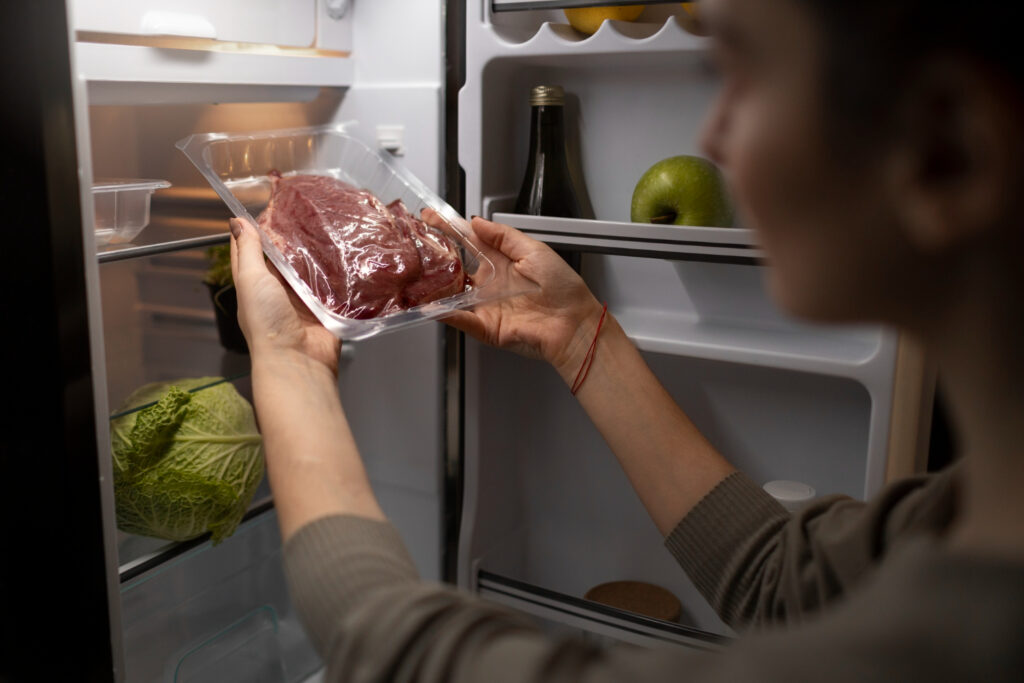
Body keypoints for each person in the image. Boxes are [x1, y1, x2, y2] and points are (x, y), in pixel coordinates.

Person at [227, 0, 1024, 679]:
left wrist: (292, 362)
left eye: (740, 72)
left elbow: (400, 652)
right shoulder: (954, 522)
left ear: (945, 150)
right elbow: (782, 576)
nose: (712, 136)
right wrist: (580, 338)